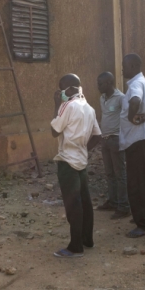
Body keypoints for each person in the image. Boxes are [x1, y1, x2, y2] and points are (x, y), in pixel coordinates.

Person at [50, 74, 102, 258]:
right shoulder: (89, 108)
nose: (60, 92)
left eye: (61, 88)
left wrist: (56, 104)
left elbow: (54, 131)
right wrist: (83, 149)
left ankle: (75, 246)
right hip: (81, 160)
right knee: (85, 202)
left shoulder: (68, 106)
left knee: (73, 205)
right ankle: (87, 239)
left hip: (67, 162)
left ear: (70, 88)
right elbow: (97, 136)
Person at [119, 54, 145, 238]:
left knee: (136, 184)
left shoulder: (136, 84)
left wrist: (131, 118)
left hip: (137, 141)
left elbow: (135, 101)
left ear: (133, 66)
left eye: (124, 66)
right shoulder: (140, 81)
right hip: (140, 140)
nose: (122, 69)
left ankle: (143, 224)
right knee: (143, 181)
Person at [96, 72, 129, 219]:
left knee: (120, 174)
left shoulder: (121, 98)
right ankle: (113, 201)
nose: (98, 86)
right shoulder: (102, 98)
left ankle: (123, 206)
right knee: (109, 174)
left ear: (109, 83)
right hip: (105, 139)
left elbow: (127, 118)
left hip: (116, 140)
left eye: (101, 83)